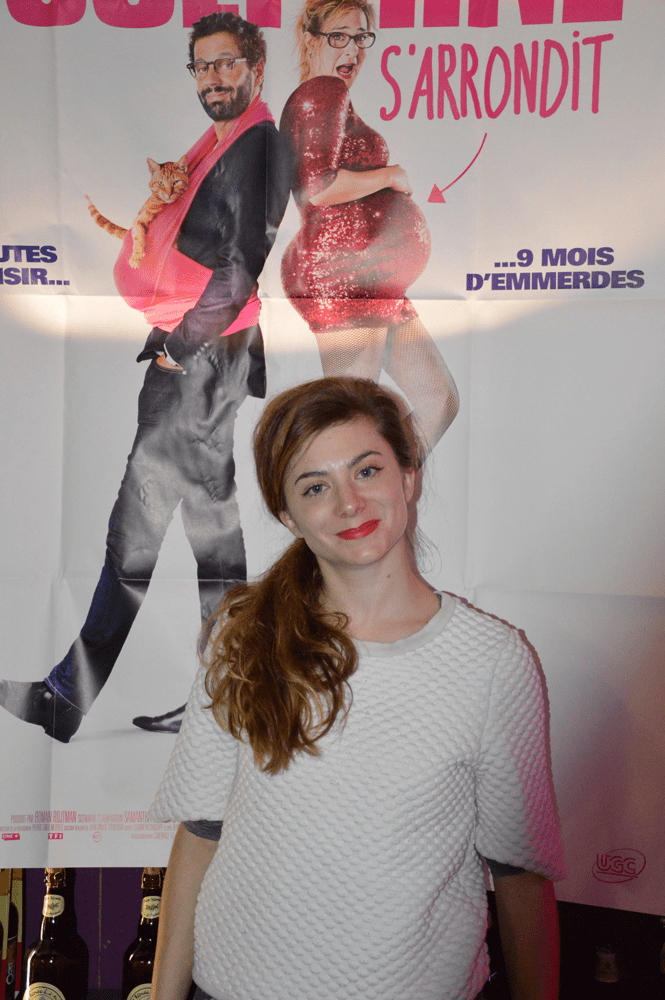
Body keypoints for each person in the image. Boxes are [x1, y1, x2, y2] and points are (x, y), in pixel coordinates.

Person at [149, 376, 565, 1000]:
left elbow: (520, 877)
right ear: (287, 514)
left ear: (408, 477)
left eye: (367, 471)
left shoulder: (493, 663)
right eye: (315, 486)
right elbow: (201, 835)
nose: (349, 503)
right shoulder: (245, 636)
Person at [0, 12, 292, 742]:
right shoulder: (223, 141)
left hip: (202, 358)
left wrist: (177, 350)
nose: (213, 78)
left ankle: (76, 697)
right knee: (209, 533)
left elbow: (240, 267)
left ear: (255, 66)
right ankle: (227, 701)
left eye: (226, 63)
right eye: (202, 66)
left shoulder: (258, 144)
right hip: (207, 357)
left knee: (140, 529)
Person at [279, 0, 459, 452]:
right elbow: (317, 187)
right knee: (349, 425)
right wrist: (390, 176)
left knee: (438, 399)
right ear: (309, 39)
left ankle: (386, 486)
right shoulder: (323, 91)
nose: (353, 50)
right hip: (344, 278)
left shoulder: (325, 96)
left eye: (361, 37)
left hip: (372, 280)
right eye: (339, 36)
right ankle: (344, 493)